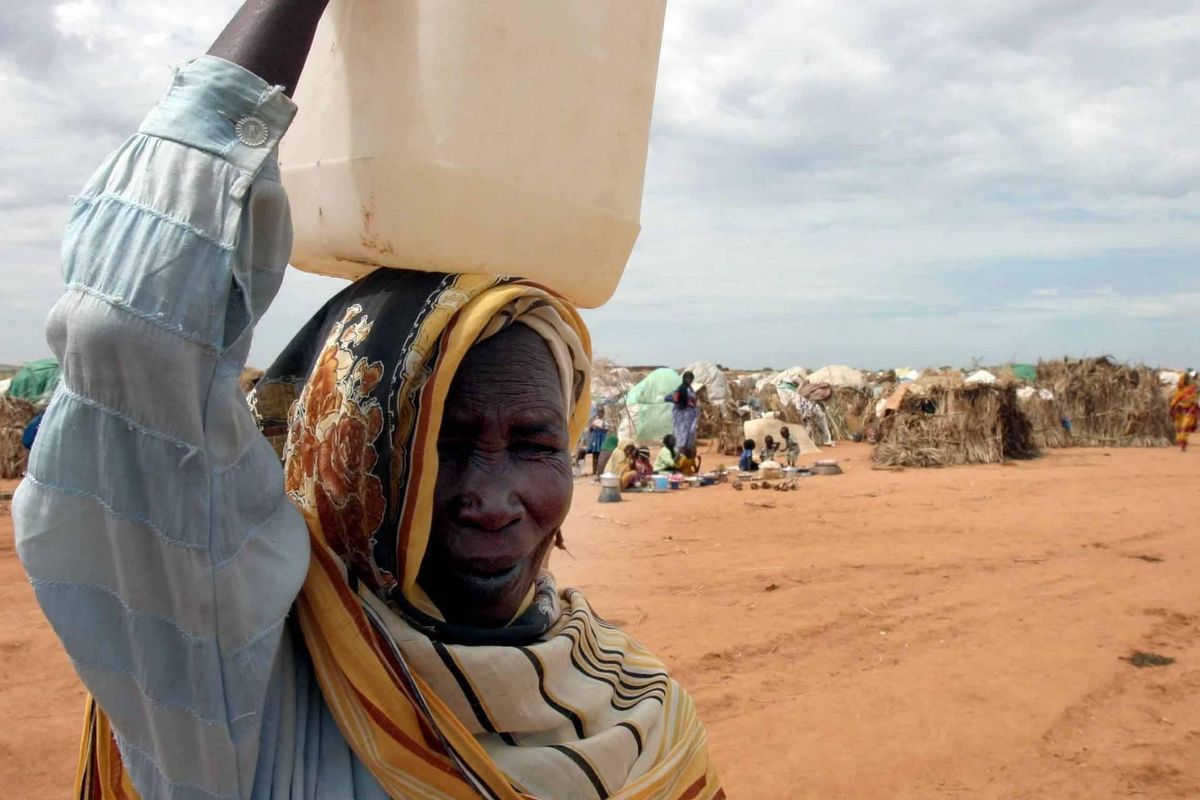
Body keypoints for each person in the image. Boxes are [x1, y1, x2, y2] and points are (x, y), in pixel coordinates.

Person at [12, 3, 722, 798]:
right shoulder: (239, 680)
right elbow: (128, 339)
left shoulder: (624, 697)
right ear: (342, 449)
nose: (492, 500)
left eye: (532, 443)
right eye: (438, 448)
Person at [667, 371, 700, 459]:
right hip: (682, 415)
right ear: (684, 379)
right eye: (687, 378)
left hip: (691, 415)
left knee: (690, 433)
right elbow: (675, 399)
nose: (689, 380)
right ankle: (679, 455)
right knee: (681, 434)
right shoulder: (681, 388)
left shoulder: (691, 389)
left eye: (690, 378)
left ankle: (687, 454)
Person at [1170, 372, 1198, 452]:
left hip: (1189, 411)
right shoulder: (1179, 391)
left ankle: (1183, 445)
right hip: (1180, 412)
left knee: (1185, 427)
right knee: (1179, 427)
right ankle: (1182, 444)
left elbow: (1193, 400)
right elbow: (1174, 401)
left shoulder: (1191, 389)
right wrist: (1174, 406)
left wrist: (1185, 404)